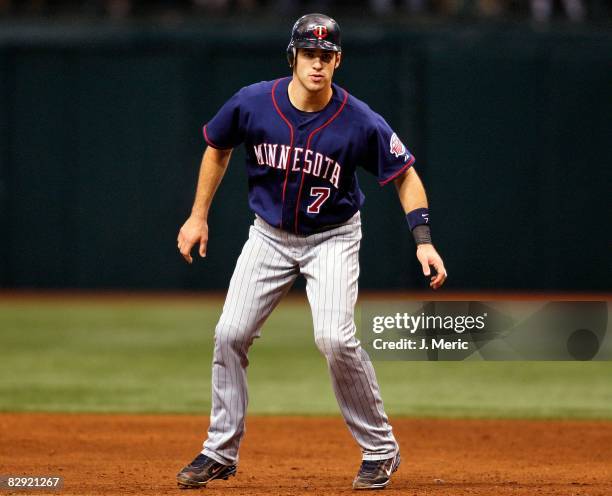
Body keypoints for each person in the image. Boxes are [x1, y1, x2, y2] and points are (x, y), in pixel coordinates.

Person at [176, 13, 447, 491]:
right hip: (269, 236)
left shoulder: (360, 120)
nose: (317, 63)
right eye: (309, 54)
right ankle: (219, 451)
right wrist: (198, 216)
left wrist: (423, 240)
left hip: (334, 238)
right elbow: (217, 147)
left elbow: (404, 174)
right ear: (293, 57)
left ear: (338, 60)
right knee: (229, 333)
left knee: (336, 339)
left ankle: (381, 450)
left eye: (326, 55)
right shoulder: (254, 102)